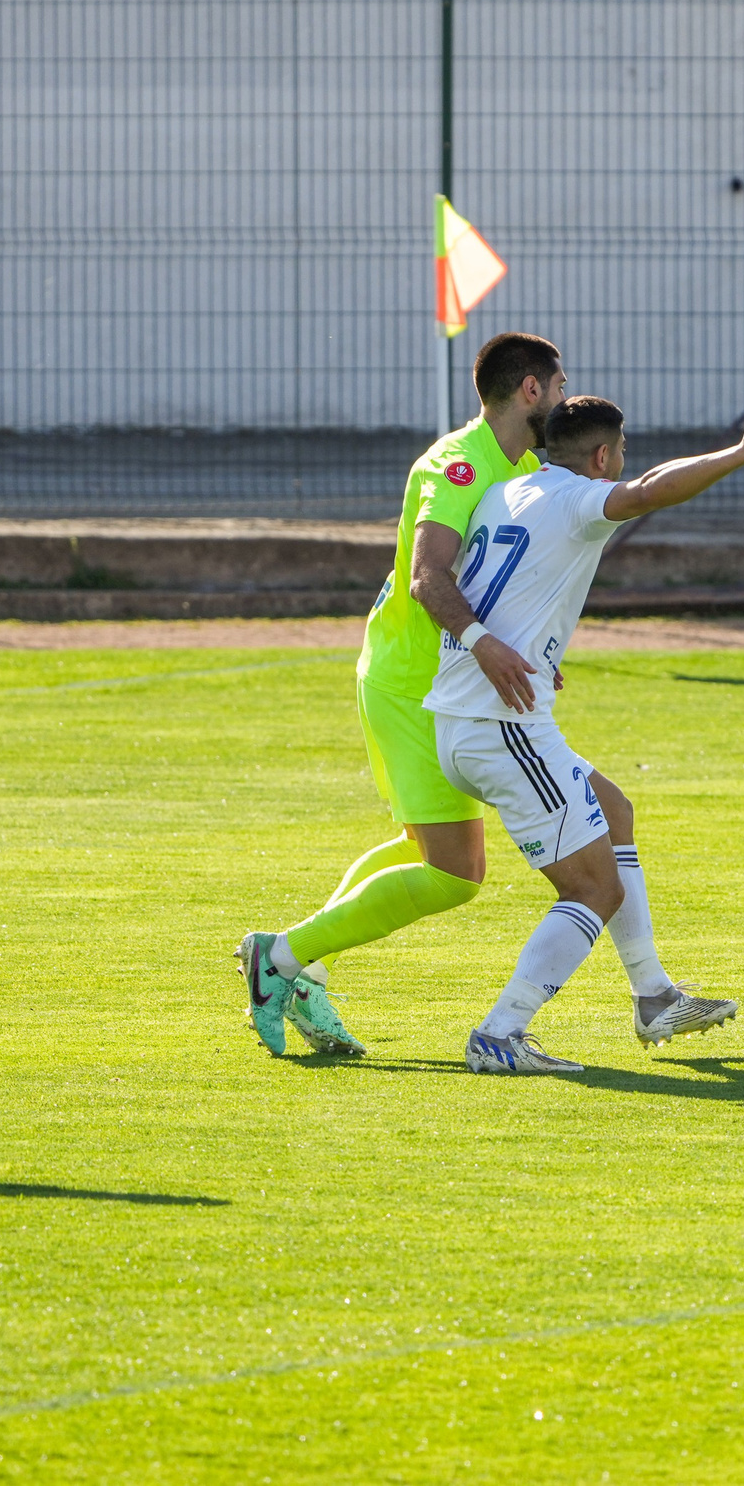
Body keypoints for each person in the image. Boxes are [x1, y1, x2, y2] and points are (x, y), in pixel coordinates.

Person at [235, 331, 567, 1058]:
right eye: (560, 384)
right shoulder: (454, 464)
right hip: (413, 683)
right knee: (457, 873)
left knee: (430, 850)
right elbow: (429, 578)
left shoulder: (529, 469)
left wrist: (528, 649)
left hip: (445, 685)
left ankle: (305, 970)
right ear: (531, 390)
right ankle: (281, 956)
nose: (567, 397)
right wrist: (487, 646)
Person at [436, 393, 744, 1074]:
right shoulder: (576, 498)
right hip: (502, 725)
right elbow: (650, 491)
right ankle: (501, 1031)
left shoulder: (508, 493)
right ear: (602, 457)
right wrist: (741, 452)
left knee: (614, 810)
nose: (624, 468)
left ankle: (654, 995)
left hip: (469, 714)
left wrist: (537, 648)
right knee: (595, 888)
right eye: (620, 456)